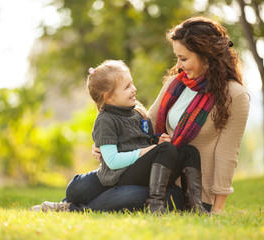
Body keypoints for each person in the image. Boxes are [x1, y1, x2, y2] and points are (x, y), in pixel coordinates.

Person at [86, 16, 249, 214]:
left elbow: (227, 154)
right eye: (177, 58)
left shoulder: (234, 95)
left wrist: (218, 207)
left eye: (184, 58)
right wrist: (106, 145)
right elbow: (146, 125)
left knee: (128, 196)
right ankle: (71, 202)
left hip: (193, 192)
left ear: (205, 56)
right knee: (84, 186)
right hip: (156, 174)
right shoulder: (176, 84)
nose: (179, 65)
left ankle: (72, 208)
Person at [31, 60, 202, 213]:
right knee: (101, 191)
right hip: (122, 174)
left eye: (132, 84)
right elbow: (113, 161)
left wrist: (155, 140)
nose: (134, 89)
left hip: (142, 172)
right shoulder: (106, 120)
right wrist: (150, 150)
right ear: (109, 97)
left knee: (189, 151)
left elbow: (142, 140)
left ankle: (194, 205)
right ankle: (154, 205)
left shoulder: (139, 113)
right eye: (127, 87)